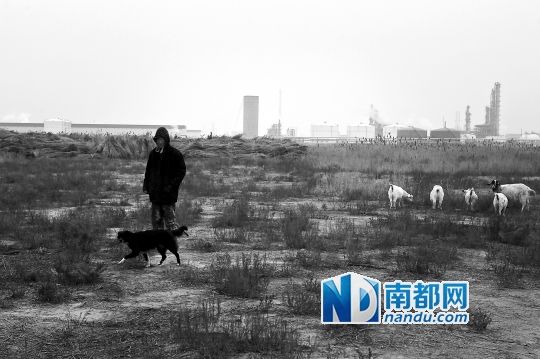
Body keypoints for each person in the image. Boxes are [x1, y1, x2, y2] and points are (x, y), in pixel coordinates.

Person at [143, 127, 186, 231]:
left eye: (162, 140)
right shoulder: (153, 154)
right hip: (155, 195)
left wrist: (171, 186)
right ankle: (160, 246)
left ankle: (173, 245)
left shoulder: (175, 154)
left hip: (168, 196)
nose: (160, 142)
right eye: (158, 140)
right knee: (156, 223)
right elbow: (148, 171)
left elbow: (181, 172)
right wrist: (146, 185)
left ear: (166, 140)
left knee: (171, 223)